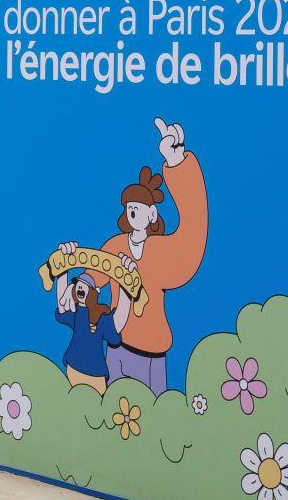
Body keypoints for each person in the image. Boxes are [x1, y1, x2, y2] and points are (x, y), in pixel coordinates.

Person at [101, 117, 206, 395]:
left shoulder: (161, 251)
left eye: (140, 207)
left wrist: (177, 163)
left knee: (155, 418)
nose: (133, 212)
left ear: (152, 214)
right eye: (129, 208)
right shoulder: (115, 246)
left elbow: (193, 235)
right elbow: (90, 276)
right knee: (116, 416)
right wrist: (69, 274)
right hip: (116, 347)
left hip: (152, 354)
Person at [54, 266, 127, 394]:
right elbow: (62, 308)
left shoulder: (102, 318)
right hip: (74, 368)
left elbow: (117, 324)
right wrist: (62, 273)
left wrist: (125, 288)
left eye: (85, 285)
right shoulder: (76, 313)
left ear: (93, 292)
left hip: (96, 374)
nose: (80, 287)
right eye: (78, 285)